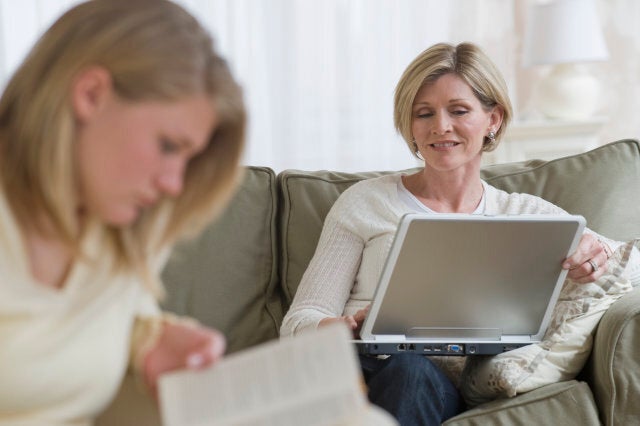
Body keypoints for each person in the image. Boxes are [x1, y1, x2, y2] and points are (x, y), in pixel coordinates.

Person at [280, 42, 640, 425]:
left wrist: (594, 248)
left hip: (446, 383)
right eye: (424, 113)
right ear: (409, 125)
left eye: (459, 110)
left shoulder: (524, 215)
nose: (440, 126)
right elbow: (298, 321)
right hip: (364, 370)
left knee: (413, 372)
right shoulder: (365, 203)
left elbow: (630, 265)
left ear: (493, 119)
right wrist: (343, 327)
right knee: (405, 369)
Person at [0, 0, 246, 424]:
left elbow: (119, 317)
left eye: (188, 159)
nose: (173, 184)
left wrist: (152, 340)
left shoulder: (123, 232)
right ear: (91, 95)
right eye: (168, 146)